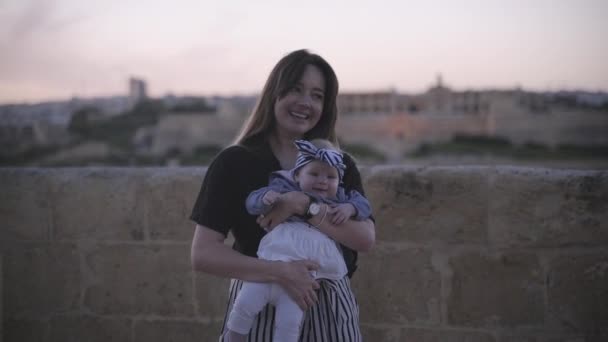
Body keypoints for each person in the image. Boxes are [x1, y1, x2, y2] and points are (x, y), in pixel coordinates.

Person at [190, 49, 376, 341]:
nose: (305, 102)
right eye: (295, 89)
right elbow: (203, 254)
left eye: (317, 95)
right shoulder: (234, 163)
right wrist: (280, 272)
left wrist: (304, 204)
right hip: (259, 303)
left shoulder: (337, 164)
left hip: (329, 308)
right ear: (274, 94)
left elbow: (365, 239)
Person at [224, 139, 372, 341]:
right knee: (245, 303)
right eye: (314, 174)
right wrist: (265, 197)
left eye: (331, 177)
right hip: (274, 260)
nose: (323, 181)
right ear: (297, 175)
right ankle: (234, 335)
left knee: (291, 319)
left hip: (307, 277)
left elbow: (364, 206)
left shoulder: (341, 197)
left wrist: (351, 208)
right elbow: (252, 201)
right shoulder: (283, 187)